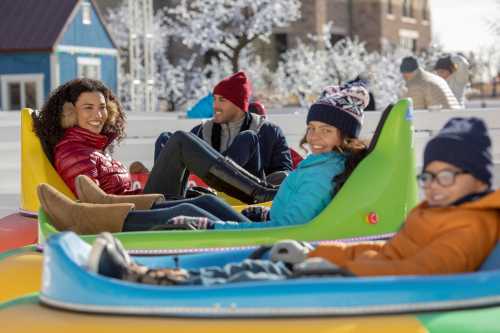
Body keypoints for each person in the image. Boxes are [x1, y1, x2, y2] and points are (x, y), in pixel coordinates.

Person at [85, 117, 500, 286]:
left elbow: (420, 272)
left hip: (361, 289)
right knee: (257, 259)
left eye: (447, 176)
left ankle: (149, 280)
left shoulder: (472, 226)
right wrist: (324, 252)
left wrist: (330, 264)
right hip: (344, 269)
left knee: (254, 274)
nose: (434, 186)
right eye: (428, 176)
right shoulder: (436, 213)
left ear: (478, 178)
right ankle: (141, 266)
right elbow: (390, 250)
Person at [37, 83, 370, 233]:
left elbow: (288, 229)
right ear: (69, 114)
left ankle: (93, 215)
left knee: (190, 206)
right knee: (179, 150)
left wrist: (231, 222)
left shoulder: (322, 170)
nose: (313, 138)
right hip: (264, 223)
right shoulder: (75, 148)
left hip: (265, 231)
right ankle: (97, 210)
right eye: (312, 129)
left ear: (346, 137)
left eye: (325, 131)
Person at [32, 78, 278, 208]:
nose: (98, 115)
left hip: (144, 200)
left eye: (103, 108)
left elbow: (114, 189)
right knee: (178, 141)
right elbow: (95, 205)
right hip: (142, 209)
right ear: (70, 114)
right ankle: (257, 192)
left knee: (177, 142)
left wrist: (140, 178)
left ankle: (254, 190)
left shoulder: (93, 148)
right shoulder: (73, 151)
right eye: (88, 108)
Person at [154, 71, 292, 181]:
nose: (215, 106)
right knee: (166, 138)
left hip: (247, 194)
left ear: (239, 104)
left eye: (222, 100)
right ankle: (161, 192)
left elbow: (283, 173)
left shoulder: (269, 132)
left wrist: (272, 179)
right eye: (214, 99)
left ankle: (222, 175)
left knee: (246, 138)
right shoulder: (202, 131)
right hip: (205, 194)